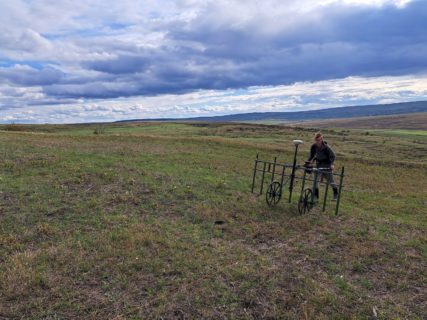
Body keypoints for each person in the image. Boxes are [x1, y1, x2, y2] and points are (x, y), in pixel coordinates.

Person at [306, 132, 339, 200]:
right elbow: (311, 155)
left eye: (320, 140)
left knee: (331, 181)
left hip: (327, 165)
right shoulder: (314, 146)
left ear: (322, 139)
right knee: (315, 181)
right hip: (319, 165)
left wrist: (332, 164)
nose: (318, 141)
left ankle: (335, 194)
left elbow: (333, 156)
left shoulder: (326, 147)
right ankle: (315, 196)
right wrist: (308, 162)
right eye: (317, 140)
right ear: (315, 140)